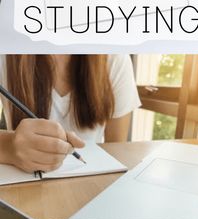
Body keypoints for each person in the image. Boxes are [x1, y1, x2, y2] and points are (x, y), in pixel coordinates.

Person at [0, 54, 140, 173]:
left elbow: (117, 149)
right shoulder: (5, 52)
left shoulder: (115, 57)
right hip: (22, 183)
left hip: (90, 185)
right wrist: (9, 148)